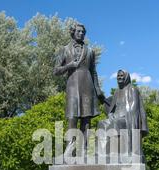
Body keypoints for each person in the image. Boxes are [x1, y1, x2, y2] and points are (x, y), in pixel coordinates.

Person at [54, 23, 105, 154]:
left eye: (83, 32)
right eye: (78, 31)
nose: (81, 34)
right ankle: (70, 148)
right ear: (73, 32)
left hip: (88, 86)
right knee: (72, 117)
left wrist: (98, 89)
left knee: (86, 119)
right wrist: (69, 65)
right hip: (72, 86)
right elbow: (56, 71)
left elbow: (93, 71)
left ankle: (85, 148)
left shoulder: (90, 51)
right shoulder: (65, 50)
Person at [98, 70, 148, 159]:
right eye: (118, 76)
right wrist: (110, 114)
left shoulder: (133, 89)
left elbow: (133, 108)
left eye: (121, 75)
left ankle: (116, 153)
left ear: (126, 77)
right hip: (116, 117)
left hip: (127, 119)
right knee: (101, 123)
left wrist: (120, 116)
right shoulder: (117, 92)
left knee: (116, 123)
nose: (119, 77)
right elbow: (111, 109)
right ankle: (102, 153)